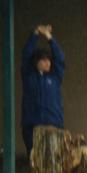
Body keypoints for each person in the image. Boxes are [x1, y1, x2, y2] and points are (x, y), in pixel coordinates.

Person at [20, 24, 65, 155]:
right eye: (44, 60)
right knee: (35, 160)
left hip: (54, 125)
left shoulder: (55, 76)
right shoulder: (29, 76)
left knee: (54, 160)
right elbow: (26, 55)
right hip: (32, 127)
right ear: (36, 62)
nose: (47, 63)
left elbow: (60, 58)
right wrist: (35, 33)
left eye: (49, 60)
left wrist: (49, 37)